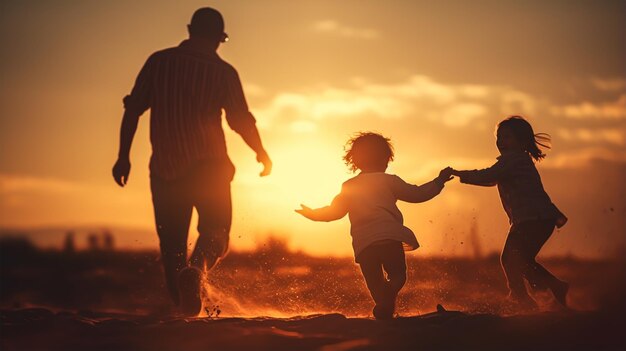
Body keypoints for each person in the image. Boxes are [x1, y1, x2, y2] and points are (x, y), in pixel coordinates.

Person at [112, 7, 272, 316]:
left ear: (188, 29)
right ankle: (197, 271)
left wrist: (123, 157)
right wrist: (260, 151)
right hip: (210, 167)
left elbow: (132, 110)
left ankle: (185, 313)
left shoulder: (159, 61)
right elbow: (240, 120)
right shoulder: (224, 72)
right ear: (220, 38)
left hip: (164, 170)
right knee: (216, 232)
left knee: (172, 247)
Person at [296, 132, 453, 319]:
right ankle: (387, 307)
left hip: (365, 245)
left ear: (356, 160)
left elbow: (334, 212)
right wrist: (439, 181)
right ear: (385, 159)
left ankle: (384, 311)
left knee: (375, 286)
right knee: (398, 276)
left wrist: (313, 214)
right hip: (389, 238)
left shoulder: (349, 185)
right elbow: (417, 194)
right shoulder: (389, 181)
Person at [450, 116, 568, 310]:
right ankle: (551, 288)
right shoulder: (513, 161)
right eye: (499, 137)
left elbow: (489, 175)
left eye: (507, 137)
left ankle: (523, 298)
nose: (500, 142)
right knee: (520, 260)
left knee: (511, 259)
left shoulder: (514, 159)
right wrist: (464, 176)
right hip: (535, 219)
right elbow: (491, 179)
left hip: (534, 219)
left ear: (522, 141)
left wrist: (460, 173)